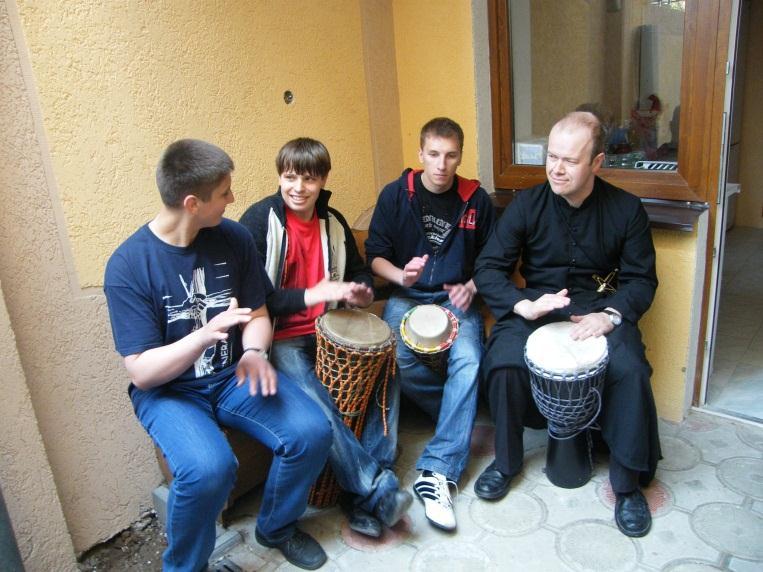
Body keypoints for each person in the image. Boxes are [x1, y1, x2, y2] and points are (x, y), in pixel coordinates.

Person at [104, 139, 332, 571]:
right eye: (224, 192)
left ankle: (277, 527)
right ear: (192, 202)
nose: (232, 199)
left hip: (233, 376)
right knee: (209, 469)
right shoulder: (129, 266)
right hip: (170, 393)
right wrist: (204, 336)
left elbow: (259, 314)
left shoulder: (233, 238)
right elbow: (142, 373)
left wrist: (252, 351)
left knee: (311, 431)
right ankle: (188, 567)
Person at [473, 111, 661, 538]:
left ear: (596, 163)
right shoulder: (526, 205)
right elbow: (488, 270)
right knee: (502, 361)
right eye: (551, 157)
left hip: (600, 311)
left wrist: (609, 316)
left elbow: (641, 281)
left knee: (629, 370)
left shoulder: (627, 210)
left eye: (569, 161)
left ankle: (627, 485)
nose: (556, 168)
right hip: (538, 307)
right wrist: (522, 306)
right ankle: (506, 463)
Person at [239, 137, 412, 539]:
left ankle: (366, 488)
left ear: (322, 180)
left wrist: (362, 290)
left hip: (330, 331)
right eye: (289, 177)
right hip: (281, 338)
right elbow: (256, 299)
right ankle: (376, 489)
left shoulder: (332, 221)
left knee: (387, 368)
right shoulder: (258, 222)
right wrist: (313, 294)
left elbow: (358, 269)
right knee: (319, 406)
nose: (298, 187)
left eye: (308, 179)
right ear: (279, 177)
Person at [364, 118, 496, 530]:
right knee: (395, 355)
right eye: (434, 154)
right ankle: (457, 417)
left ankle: (437, 471)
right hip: (407, 294)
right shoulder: (394, 195)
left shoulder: (477, 200)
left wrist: (472, 286)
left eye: (451, 155)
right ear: (420, 154)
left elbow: (494, 258)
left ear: (460, 156)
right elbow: (375, 256)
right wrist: (400, 275)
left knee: (470, 358)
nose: (442, 164)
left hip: (456, 295)